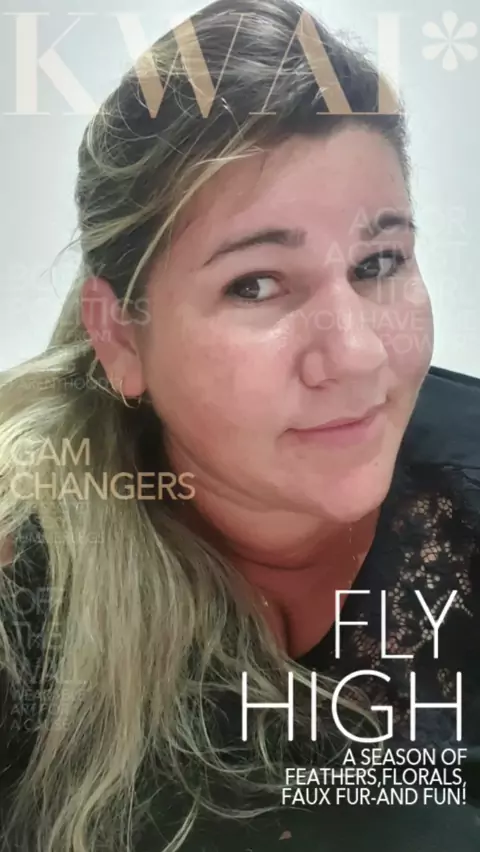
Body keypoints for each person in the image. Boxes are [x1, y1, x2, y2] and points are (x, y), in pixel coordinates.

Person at [1, 0, 480, 850]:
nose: (357, 355)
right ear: (121, 337)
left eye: (379, 263)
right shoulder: (30, 588)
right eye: (255, 284)